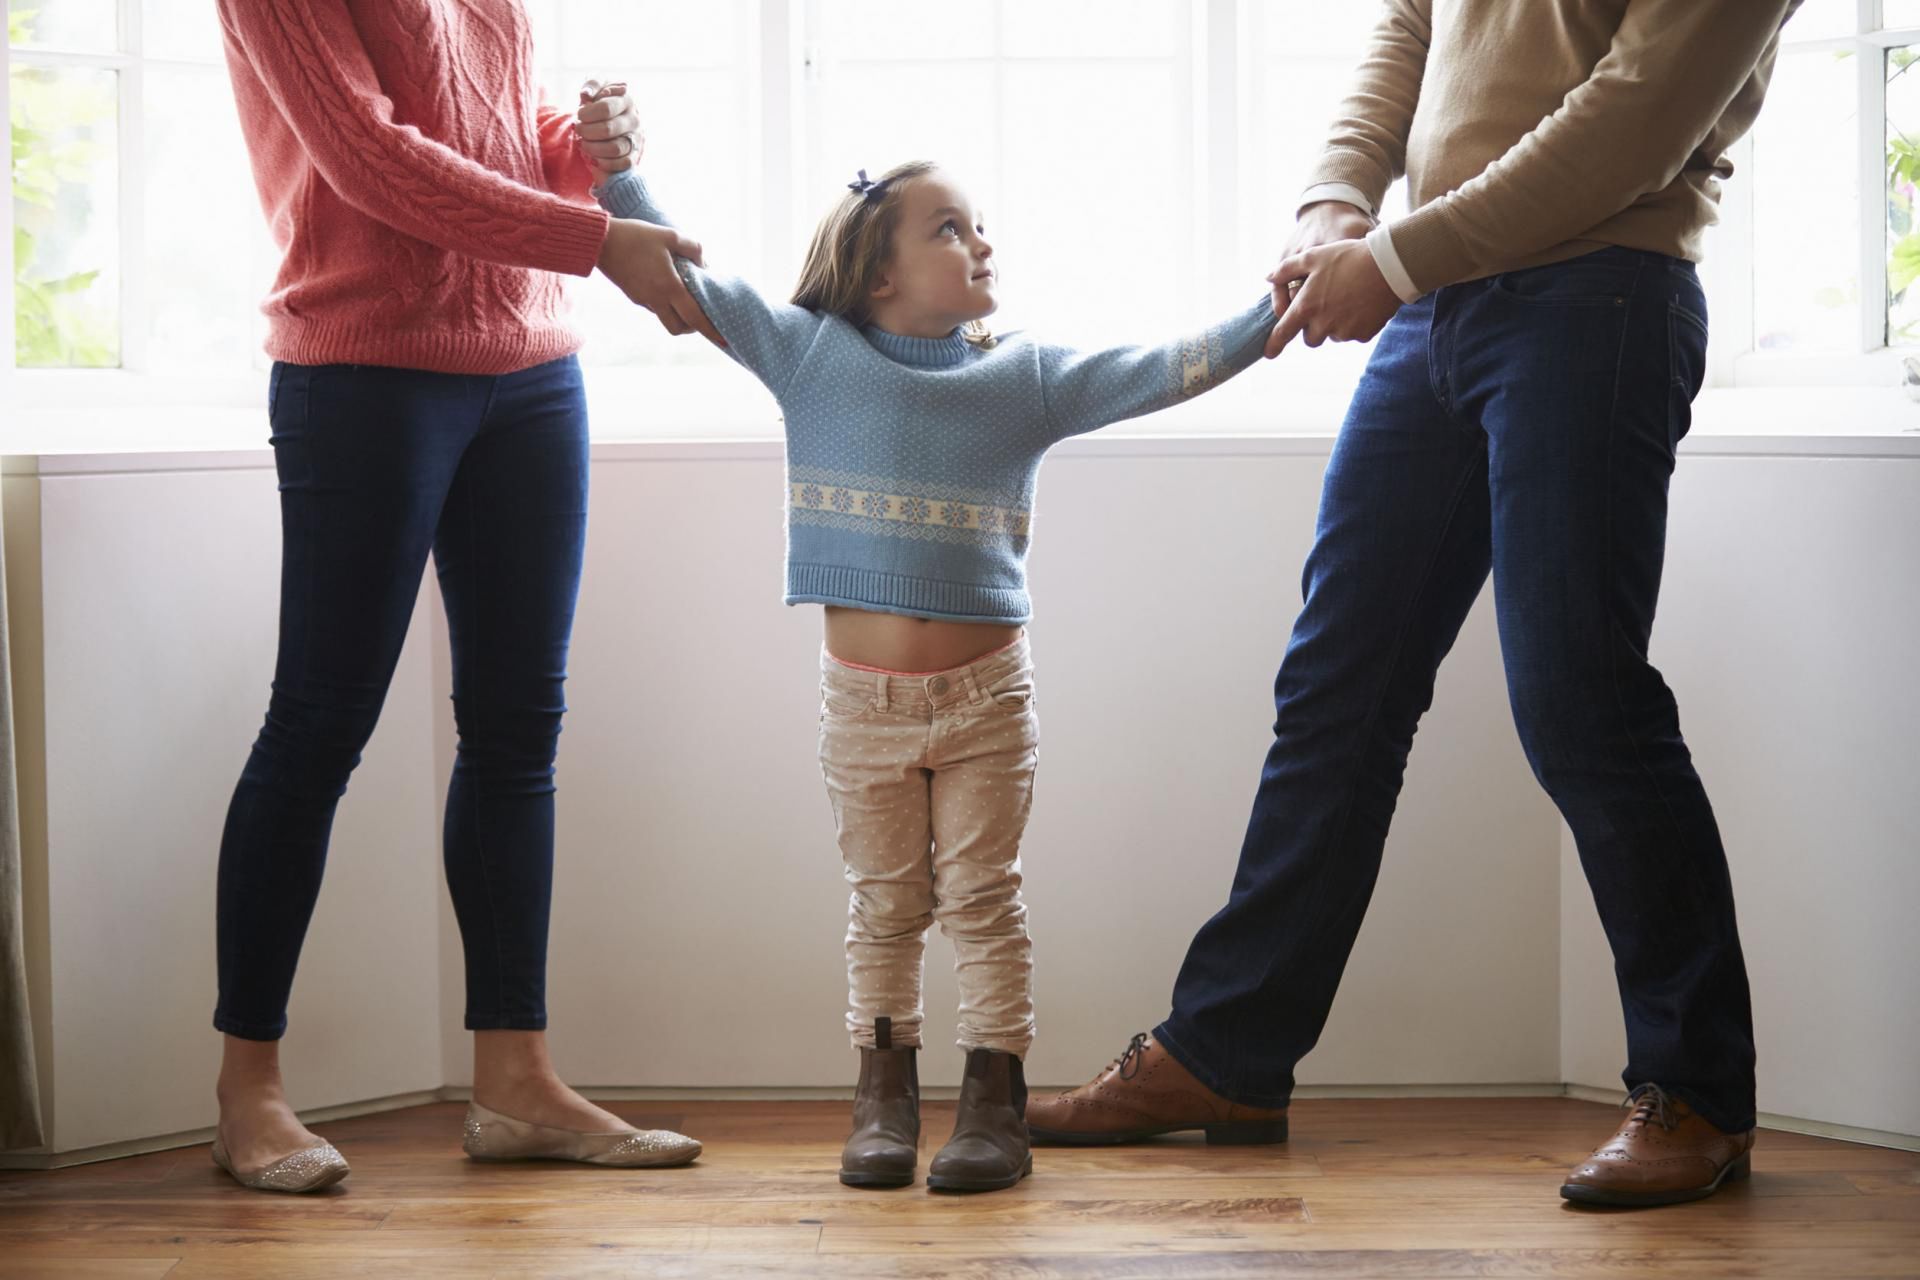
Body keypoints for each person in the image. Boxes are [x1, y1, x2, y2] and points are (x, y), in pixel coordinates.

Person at [1029, 0, 1802, 1208]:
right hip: (1439, 308)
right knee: (1338, 686)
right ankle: (1228, 1053)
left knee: (1581, 700)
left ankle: (1698, 1090)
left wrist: (1389, 261)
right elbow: (1407, 30)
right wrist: (1336, 205)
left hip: (1595, 299)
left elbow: (1633, 122)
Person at [592, 151, 1277, 1192]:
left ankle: (994, 1100)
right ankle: (884, 1095)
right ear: (878, 273)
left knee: (984, 899)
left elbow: (1167, 366)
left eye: (979, 225)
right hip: (860, 706)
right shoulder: (808, 354)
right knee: (884, 903)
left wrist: (1278, 312)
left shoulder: (1023, 376)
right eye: (951, 228)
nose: (981, 242)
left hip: (987, 699)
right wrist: (617, 172)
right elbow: (687, 287)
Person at [207, 1, 713, 1192]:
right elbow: (370, 156)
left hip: (532, 372)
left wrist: (588, 147)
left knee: (516, 730)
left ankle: (516, 1080)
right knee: (318, 725)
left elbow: (495, 130)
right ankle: (248, 1091)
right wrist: (595, 238)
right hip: (366, 371)